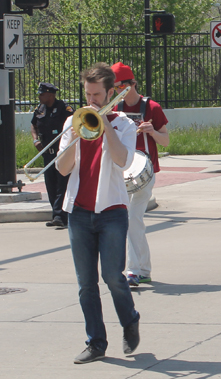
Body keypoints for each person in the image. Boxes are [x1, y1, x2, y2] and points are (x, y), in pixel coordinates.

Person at [56, 62, 140, 364]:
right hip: (79, 211)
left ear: (109, 94)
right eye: (88, 94)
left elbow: (123, 162)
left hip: (112, 211)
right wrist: (75, 135)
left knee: (113, 277)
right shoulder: (73, 122)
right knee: (85, 282)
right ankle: (96, 342)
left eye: (96, 95)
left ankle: (130, 319)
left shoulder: (123, 125)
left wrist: (104, 128)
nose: (91, 101)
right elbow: (63, 169)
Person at [111, 62, 170, 286]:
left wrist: (152, 131)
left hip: (145, 170)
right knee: (133, 221)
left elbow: (165, 140)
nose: (117, 92)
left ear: (131, 84)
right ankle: (144, 269)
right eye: (114, 88)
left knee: (132, 218)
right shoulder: (115, 109)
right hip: (123, 170)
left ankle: (133, 271)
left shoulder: (151, 107)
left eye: (119, 87)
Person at [30, 83, 74, 227]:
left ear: (51, 94)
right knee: (51, 184)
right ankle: (56, 214)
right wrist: (35, 139)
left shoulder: (64, 108)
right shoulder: (39, 109)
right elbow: (34, 125)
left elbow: (73, 124)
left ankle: (60, 217)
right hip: (47, 153)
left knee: (62, 184)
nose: (39, 96)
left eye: (42, 94)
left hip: (61, 153)